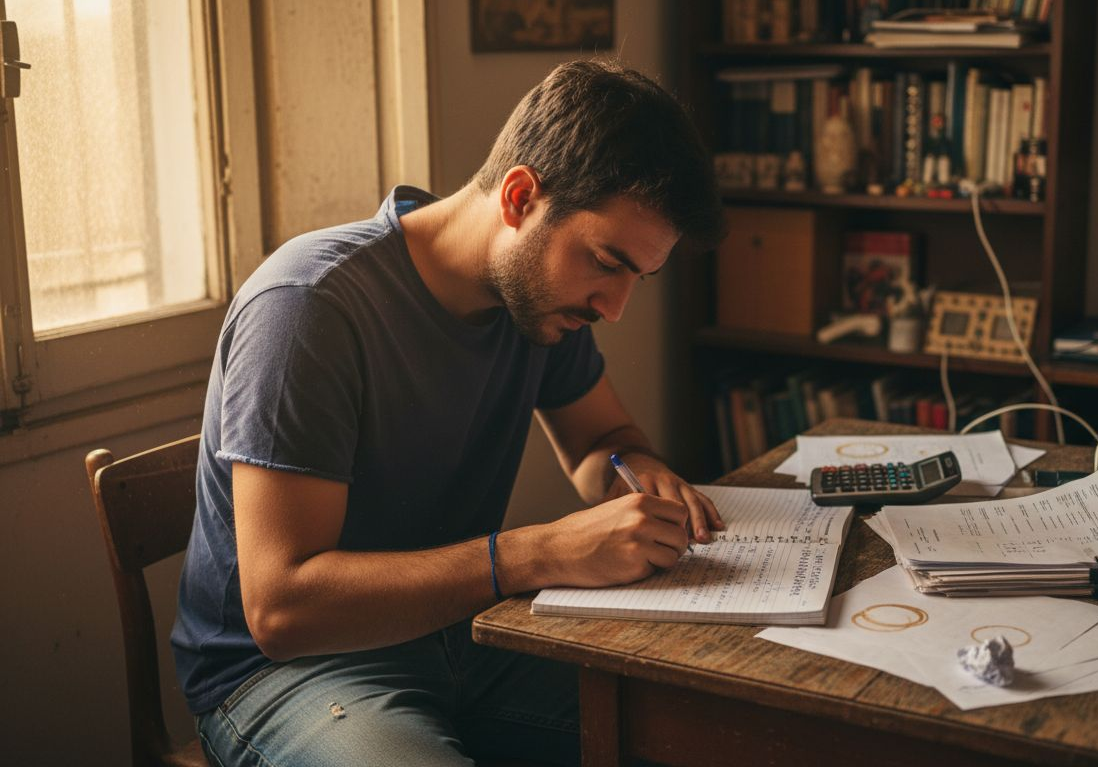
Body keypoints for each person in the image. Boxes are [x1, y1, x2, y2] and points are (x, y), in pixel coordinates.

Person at [172, 59, 726, 767]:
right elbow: (282, 610)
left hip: (471, 635)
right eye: (605, 262)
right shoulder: (310, 306)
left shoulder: (536, 305)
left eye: (637, 279)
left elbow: (601, 442)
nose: (613, 309)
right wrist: (542, 552)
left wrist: (640, 475)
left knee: (720, 729)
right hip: (289, 675)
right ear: (521, 196)